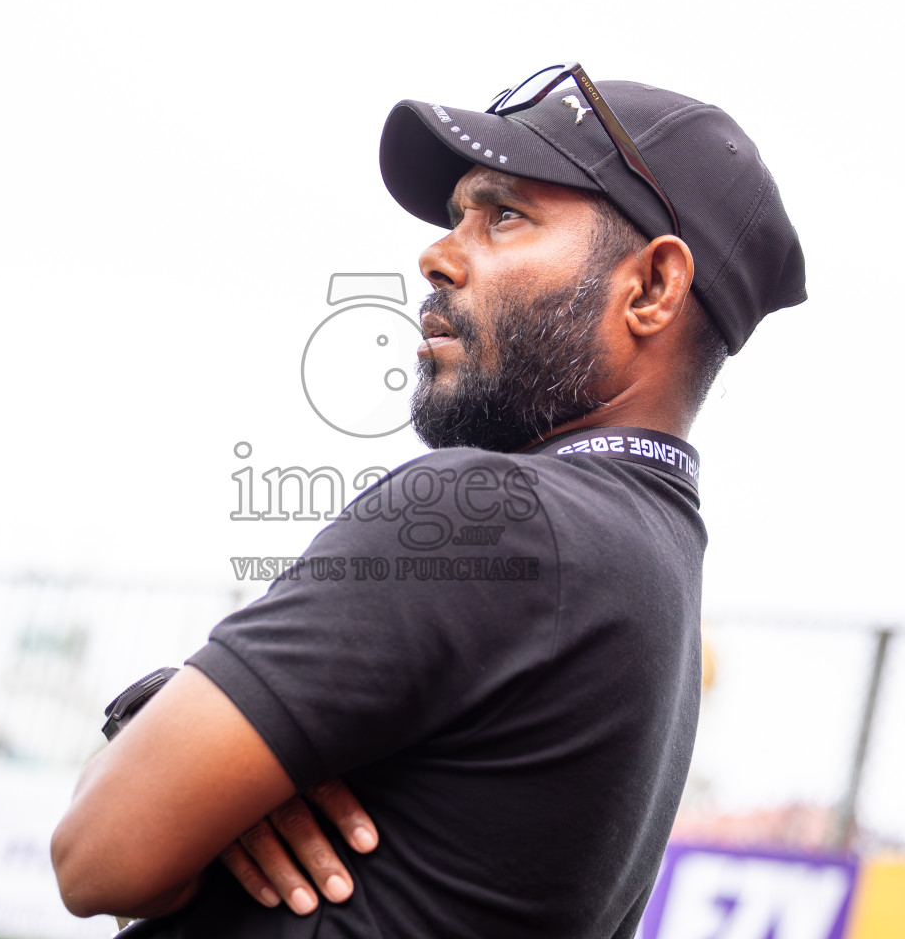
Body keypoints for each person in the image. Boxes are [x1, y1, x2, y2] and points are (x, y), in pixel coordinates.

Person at [51, 64, 806, 937]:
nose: (439, 255)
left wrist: (171, 747)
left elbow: (98, 856)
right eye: (458, 217)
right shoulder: (651, 561)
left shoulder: (489, 514)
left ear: (651, 288)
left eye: (506, 215)